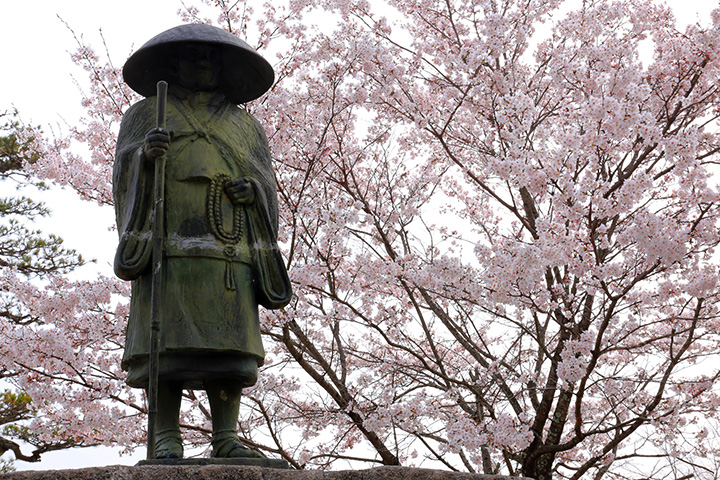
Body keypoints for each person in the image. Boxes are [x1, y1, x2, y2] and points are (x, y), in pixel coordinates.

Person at [112, 24, 292, 459]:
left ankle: (226, 437)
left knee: (229, 347)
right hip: (166, 247)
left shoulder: (244, 124)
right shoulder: (145, 113)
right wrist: (144, 158)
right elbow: (122, 173)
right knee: (165, 346)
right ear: (173, 63)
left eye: (211, 58)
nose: (203, 64)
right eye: (193, 56)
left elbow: (266, 181)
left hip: (228, 248)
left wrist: (253, 191)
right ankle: (165, 437)